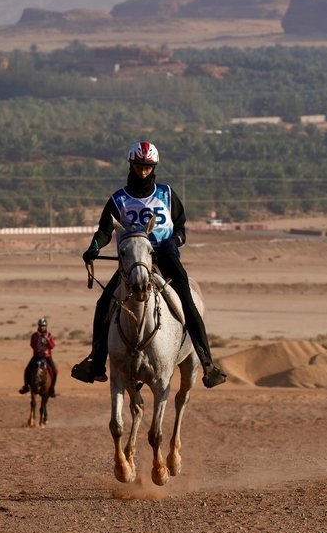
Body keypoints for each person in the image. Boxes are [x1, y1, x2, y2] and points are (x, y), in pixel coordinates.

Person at [70, 140, 228, 389]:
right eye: (139, 166)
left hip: (164, 257)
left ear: (153, 167)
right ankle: (96, 363)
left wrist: (173, 242)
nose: (143, 171)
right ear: (131, 165)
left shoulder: (166, 194)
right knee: (104, 304)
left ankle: (208, 363)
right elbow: (104, 230)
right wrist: (94, 248)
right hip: (133, 261)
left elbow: (181, 228)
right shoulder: (118, 199)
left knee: (187, 301)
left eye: (147, 166)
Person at [18, 317, 58, 398]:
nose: (42, 327)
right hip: (37, 356)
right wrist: (39, 350)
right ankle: (26, 386)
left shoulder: (49, 335)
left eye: (43, 326)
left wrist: (47, 340)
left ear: (46, 326)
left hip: (47, 357)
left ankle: (52, 389)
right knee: (27, 369)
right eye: (40, 325)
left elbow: (52, 346)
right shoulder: (35, 336)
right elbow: (32, 345)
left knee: (55, 371)